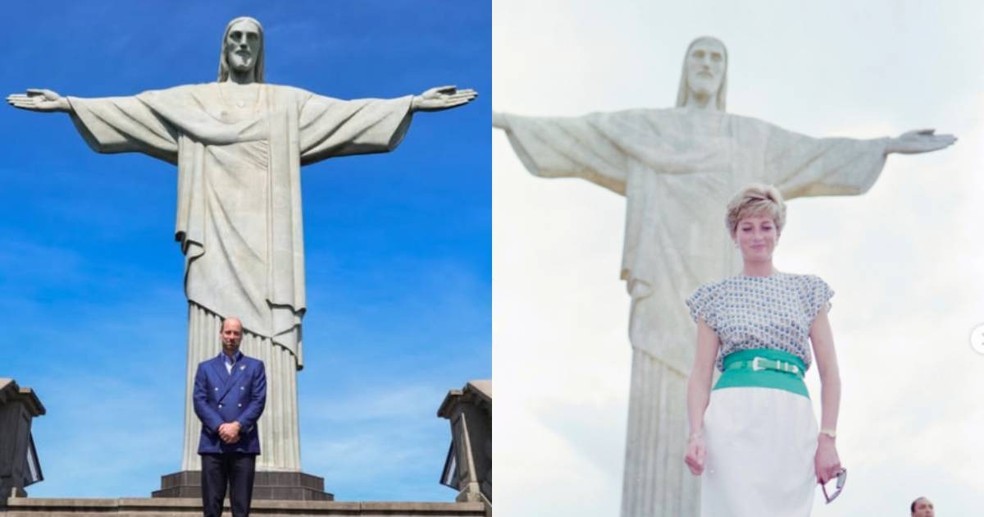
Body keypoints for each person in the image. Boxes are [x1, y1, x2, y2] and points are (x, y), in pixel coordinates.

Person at [492, 36, 954, 515]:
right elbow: (583, 136)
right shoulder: (652, 129)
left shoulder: (750, 139)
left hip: (783, 408)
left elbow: (819, 153)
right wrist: (507, 121)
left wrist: (886, 146)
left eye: (716, 57)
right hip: (669, 286)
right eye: (698, 55)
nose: (706, 65)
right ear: (736, 231)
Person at [7, 16, 476, 473]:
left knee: (270, 335)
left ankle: (273, 462)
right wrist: (70, 104)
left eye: (253, 37)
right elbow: (135, 109)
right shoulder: (194, 101)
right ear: (224, 46)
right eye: (236, 36)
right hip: (212, 236)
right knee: (210, 335)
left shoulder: (285, 104)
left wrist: (410, 104)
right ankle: (209, 459)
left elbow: (347, 113)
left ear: (261, 49)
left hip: (271, 246)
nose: (244, 44)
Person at [683, 184, 841, 516]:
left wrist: (828, 438)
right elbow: (700, 375)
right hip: (731, 417)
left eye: (766, 226)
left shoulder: (807, 291)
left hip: (792, 416)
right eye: (747, 227)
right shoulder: (714, 297)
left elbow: (830, 374)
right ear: (734, 235)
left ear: (778, 232)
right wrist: (695, 434)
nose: (758, 236)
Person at [193, 317, 266, 517]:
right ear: (220, 334)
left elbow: (258, 400)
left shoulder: (255, 366)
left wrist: (238, 426)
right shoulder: (205, 368)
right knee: (211, 508)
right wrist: (220, 427)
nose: (231, 337)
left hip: (243, 443)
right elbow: (200, 401)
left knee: (241, 509)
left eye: (236, 333)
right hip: (213, 444)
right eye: (228, 332)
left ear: (242, 337)